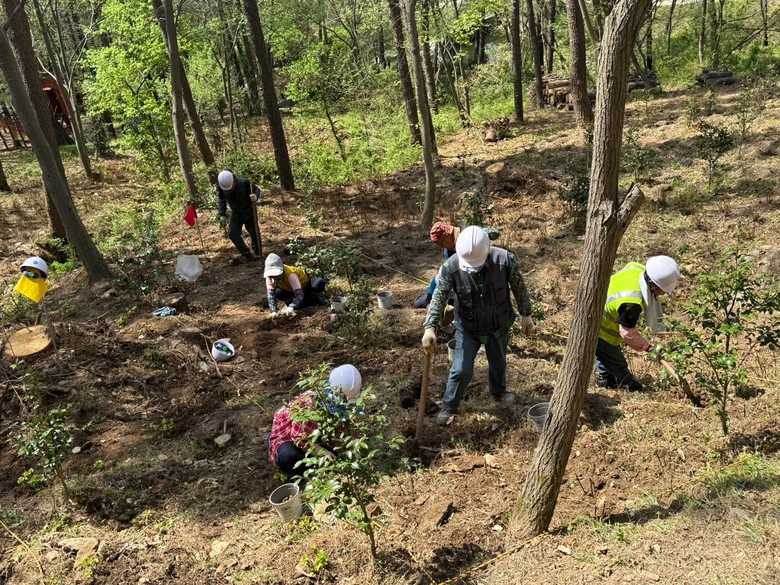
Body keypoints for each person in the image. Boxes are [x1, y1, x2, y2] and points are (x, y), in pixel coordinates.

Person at [421, 226, 535, 425]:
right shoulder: (451, 267)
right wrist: (430, 327)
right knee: (461, 369)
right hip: (468, 327)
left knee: (498, 363)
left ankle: (499, 392)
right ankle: (449, 407)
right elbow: (439, 296)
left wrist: (526, 314)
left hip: (499, 324)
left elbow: (519, 286)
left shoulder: (504, 260)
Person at [596, 255, 680, 392]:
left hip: (601, 311)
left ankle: (604, 378)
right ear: (653, 284)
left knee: (605, 355)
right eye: (663, 290)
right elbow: (627, 333)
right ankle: (627, 384)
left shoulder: (637, 269)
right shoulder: (631, 303)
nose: (664, 294)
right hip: (600, 328)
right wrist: (648, 348)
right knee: (616, 361)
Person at [267, 364, 362, 476]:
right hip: (291, 434)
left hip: (317, 434)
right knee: (289, 457)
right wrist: (321, 452)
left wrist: (355, 446)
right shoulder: (309, 405)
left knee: (337, 455)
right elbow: (299, 437)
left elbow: (352, 427)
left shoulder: (349, 400)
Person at [414, 222, 500, 309]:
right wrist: (429, 300)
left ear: (447, 236)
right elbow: (443, 274)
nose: (442, 246)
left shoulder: (470, 234)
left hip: (484, 280)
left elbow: (496, 233)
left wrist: (482, 233)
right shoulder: (448, 252)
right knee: (420, 302)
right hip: (463, 286)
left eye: (442, 243)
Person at [217, 170, 262, 262]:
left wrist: (255, 196)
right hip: (236, 213)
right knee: (232, 234)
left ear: (234, 181)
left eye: (231, 188)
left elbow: (257, 190)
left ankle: (258, 253)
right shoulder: (222, 186)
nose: (229, 190)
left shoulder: (244, 183)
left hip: (248, 211)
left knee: (254, 232)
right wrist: (222, 214)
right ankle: (247, 255)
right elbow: (221, 200)